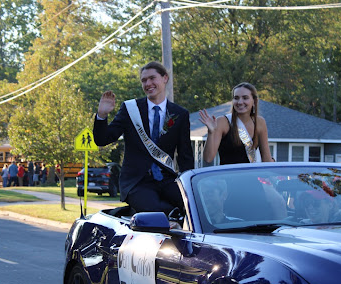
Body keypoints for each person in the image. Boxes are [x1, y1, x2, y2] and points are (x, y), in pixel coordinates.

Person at [94, 61, 194, 214]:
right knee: (155, 211)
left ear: (165, 78)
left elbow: (185, 155)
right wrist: (102, 115)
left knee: (192, 207)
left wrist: (190, 187)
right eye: (144, 80)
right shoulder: (130, 109)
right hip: (136, 182)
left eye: (152, 78)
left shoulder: (180, 114)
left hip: (166, 180)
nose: (148, 83)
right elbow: (102, 140)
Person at [199, 82, 273, 164]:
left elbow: (266, 159)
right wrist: (211, 132)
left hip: (250, 176)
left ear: (254, 101)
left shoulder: (260, 122)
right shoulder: (223, 122)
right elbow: (208, 158)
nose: (240, 102)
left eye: (245, 98)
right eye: (236, 98)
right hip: (228, 175)